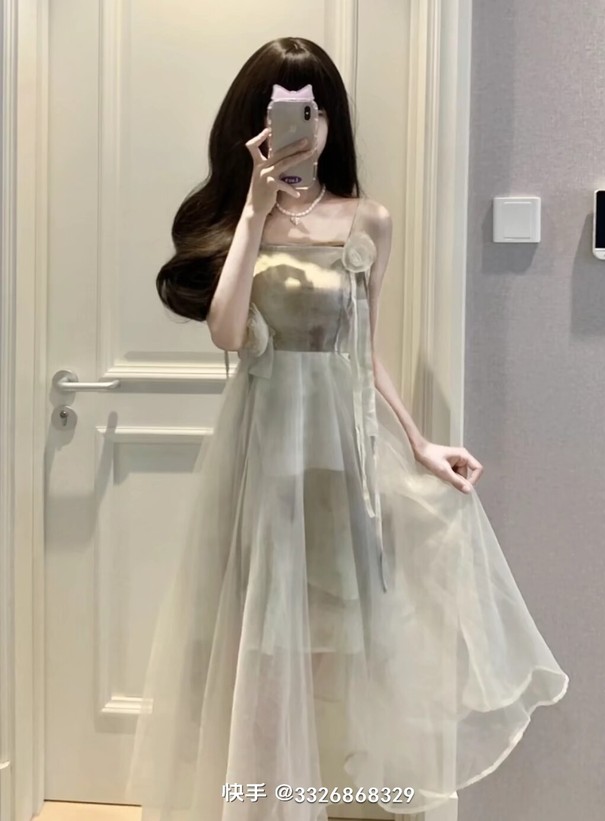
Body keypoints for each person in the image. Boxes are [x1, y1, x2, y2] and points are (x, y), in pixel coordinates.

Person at [125, 36, 569, 821]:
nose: (304, 126)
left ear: (331, 120)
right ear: (257, 123)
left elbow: (363, 354)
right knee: (262, 661)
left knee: (332, 659)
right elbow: (227, 333)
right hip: (263, 463)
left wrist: (420, 442)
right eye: (284, 110)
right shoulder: (241, 222)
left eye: (315, 108)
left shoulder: (369, 220)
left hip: (338, 463)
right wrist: (255, 211)